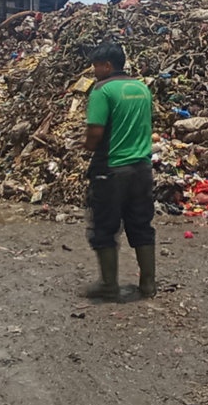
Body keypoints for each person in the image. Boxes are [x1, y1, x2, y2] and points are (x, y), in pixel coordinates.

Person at [81, 41, 157, 300]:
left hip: (112, 169)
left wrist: (87, 146)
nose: (94, 72)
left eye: (96, 66)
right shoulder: (142, 88)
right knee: (141, 225)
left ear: (107, 65)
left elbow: (95, 132)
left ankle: (109, 285)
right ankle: (148, 284)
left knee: (104, 227)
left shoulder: (102, 91)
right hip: (143, 168)